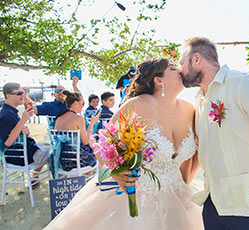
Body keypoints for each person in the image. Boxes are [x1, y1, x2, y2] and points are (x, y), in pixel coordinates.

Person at [43, 58, 203, 230]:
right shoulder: (137, 105)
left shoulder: (191, 109)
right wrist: (115, 172)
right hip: (137, 196)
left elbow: (188, 169)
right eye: (173, 68)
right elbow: (100, 144)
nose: (180, 70)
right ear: (158, 80)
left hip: (179, 197)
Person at [179, 37, 249, 229]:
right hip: (214, 205)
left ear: (196, 59)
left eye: (182, 63)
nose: (180, 69)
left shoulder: (240, 83)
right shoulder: (200, 100)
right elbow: (202, 150)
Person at [0, 82, 49, 188]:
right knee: (56, 153)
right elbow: (8, 142)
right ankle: (63, 190)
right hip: (21, 156)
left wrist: (23, 130)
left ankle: (35, 178)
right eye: (20, 93)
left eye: (24, 92)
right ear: (8, 95)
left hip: (25, 151)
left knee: (48, 145)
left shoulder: (10, 111)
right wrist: (23, 120)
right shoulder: (6, 115)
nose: (23, 95)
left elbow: (13, 131)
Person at [52, 91, 100, 173]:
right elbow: (85, 142)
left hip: (60, 160)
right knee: (95, 147)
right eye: (82, 103)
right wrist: (92, 123)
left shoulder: (59, 118)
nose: (82, 106)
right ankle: (91, 181)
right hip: (76, 160)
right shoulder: (78, 118)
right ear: (75, 103)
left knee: (92, 145)